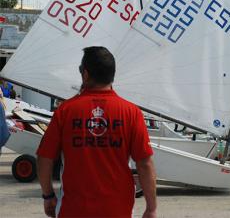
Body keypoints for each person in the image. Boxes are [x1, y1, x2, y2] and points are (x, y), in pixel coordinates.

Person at [36, 46, 157, 218]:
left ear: (85, 74)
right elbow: (145, 164)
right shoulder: (132, 113)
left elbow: (44, 158)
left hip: (74, 209)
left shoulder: (65, 111)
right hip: (117, 209)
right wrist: (151, 208)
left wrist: (48, 195)